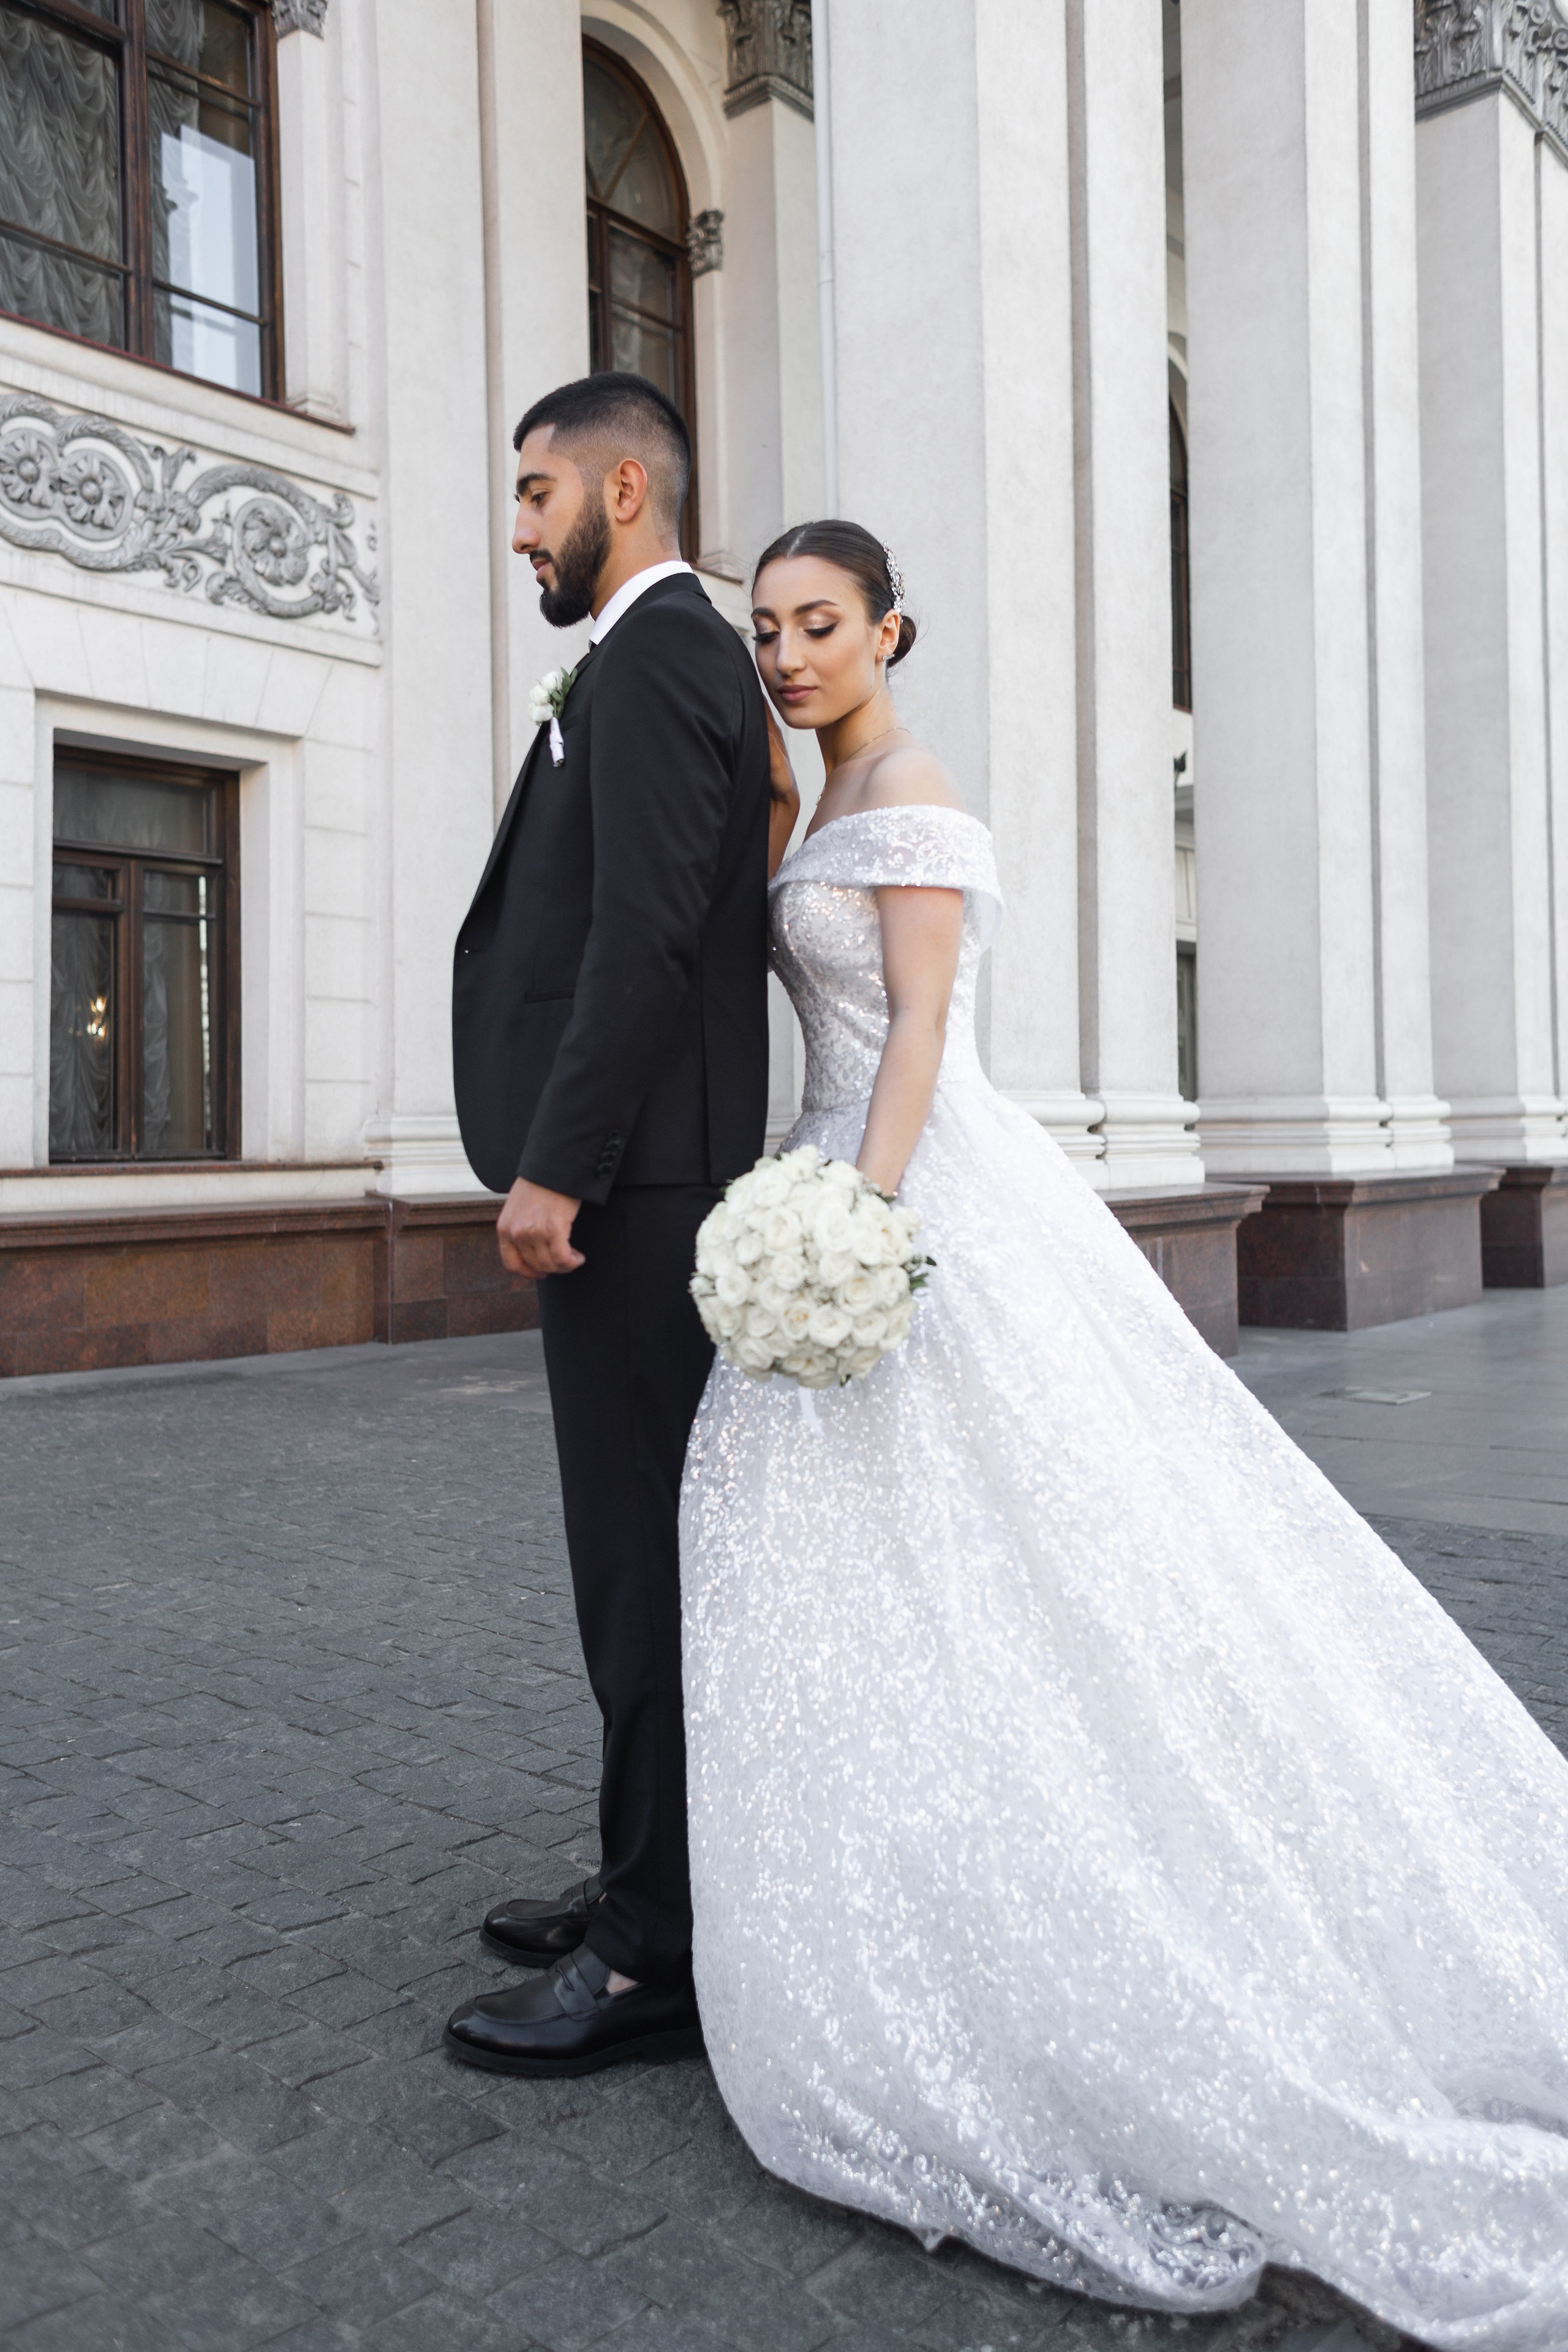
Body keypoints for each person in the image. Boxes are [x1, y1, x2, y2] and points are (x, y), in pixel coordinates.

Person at [678, 519, 1568, 2349]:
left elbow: (919, 1031)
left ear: (890, 629)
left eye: (820, 623)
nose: (789, 653)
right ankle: (901, 1885)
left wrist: (860, 1221)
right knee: (850, 1556)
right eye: (767, 629)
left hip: (906, 1183)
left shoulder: (910, 796)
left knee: (1038, 1543)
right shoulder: (816, 798)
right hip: (831, 1169)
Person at [445, 372, 793, 2078]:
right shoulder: (649, 657)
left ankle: (654, 1950)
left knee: (638, 1565)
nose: (520, 527)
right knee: (638, 1558)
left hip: (634, 1191)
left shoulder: (656, 655)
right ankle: (650, 1872)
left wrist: (561, 1165)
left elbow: (643, 932)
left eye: (536, 494)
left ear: (624, 490)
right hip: (646, 1177)